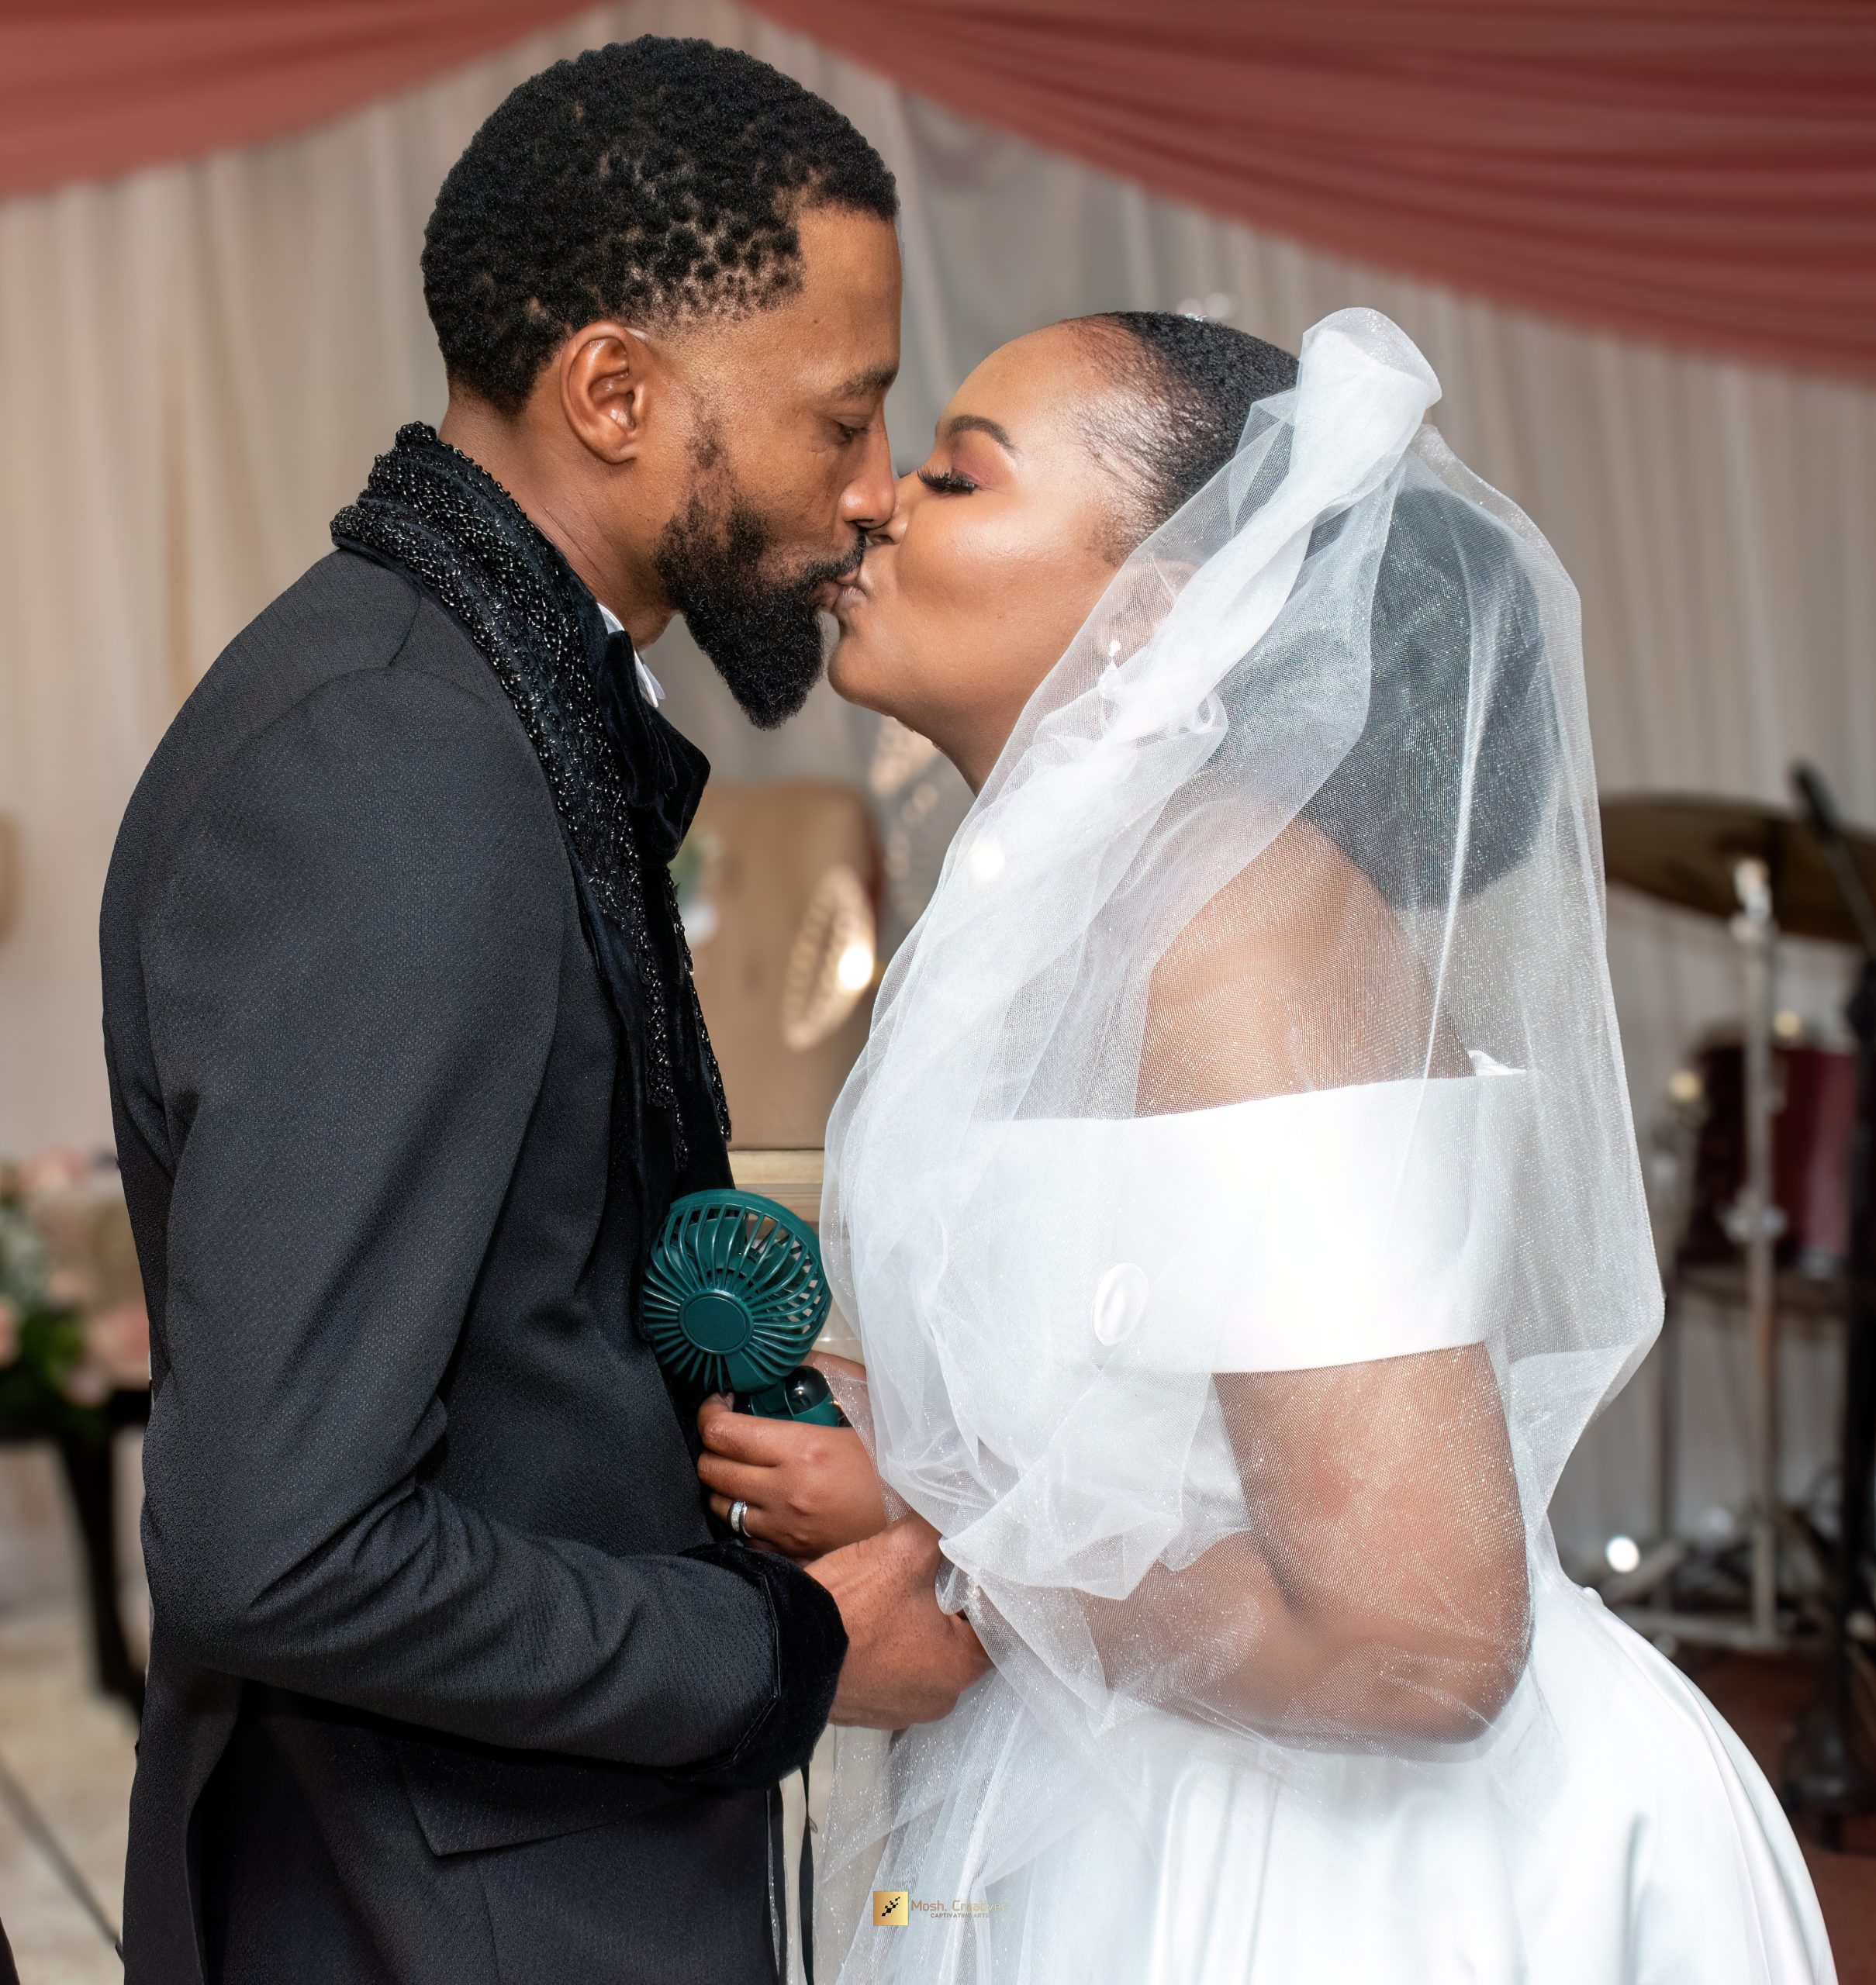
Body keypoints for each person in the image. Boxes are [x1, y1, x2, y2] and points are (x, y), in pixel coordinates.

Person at [694, 308, 1838, 1982]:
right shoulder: (1076, 915)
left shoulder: (1244, 923)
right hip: (1120, 1785)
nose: (875, 504)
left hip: (1319, 1869)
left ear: (1156, 605)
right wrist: (904, 1433)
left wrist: (971, 1566)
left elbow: (1418, 1634)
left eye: (957, 475)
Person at [101, 39, 981, 1985]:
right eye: (839, 416)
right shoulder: (390, 767)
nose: (868, 490)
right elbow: (278, 1545)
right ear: (613, 392)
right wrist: (787, 1650)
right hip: (458, 1905)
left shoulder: (479, 690)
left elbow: (506, 1319)